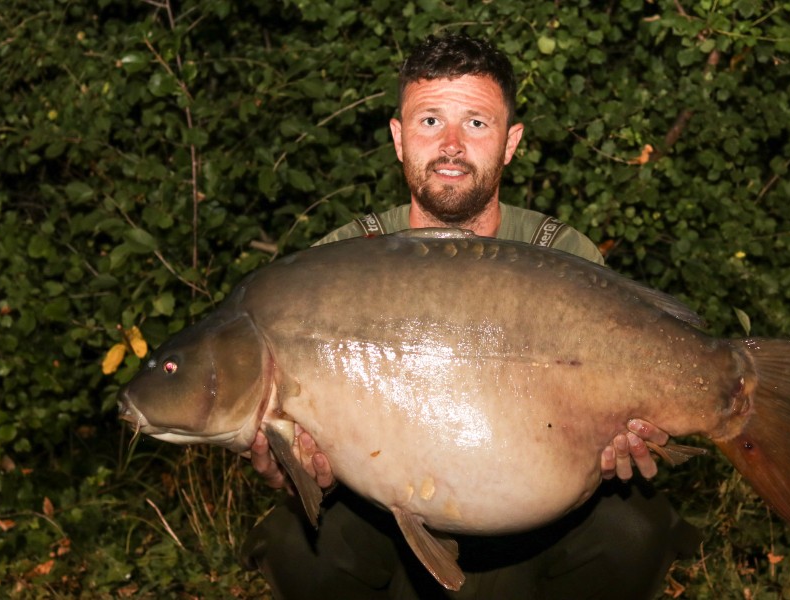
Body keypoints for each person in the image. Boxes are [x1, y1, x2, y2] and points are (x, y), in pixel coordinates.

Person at [242, 33, 700, 599]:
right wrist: (289, 470)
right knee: (295, 541)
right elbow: (305, 454)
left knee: (636, 527)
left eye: (476, 124)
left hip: (536, 521)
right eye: (430, 121)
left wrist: (627, 439)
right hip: (381, 523)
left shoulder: (562, 255)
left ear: (511, 143)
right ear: (398, 137)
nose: (451, 145)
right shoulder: (334, 264)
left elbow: (610, 417)